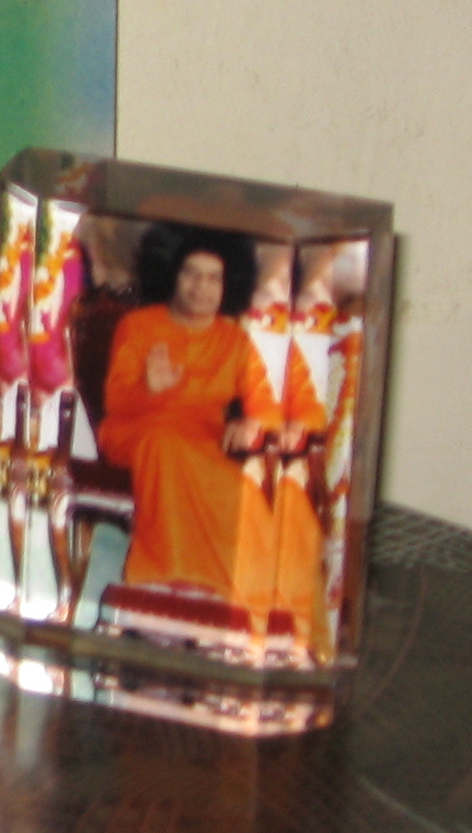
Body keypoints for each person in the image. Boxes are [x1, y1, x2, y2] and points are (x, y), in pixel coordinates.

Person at [96, 229, 322, 650]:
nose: (201, 287)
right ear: (173, 276)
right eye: (191, 274)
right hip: (138, 432)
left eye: (213, 278)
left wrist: (252, 423)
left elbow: (265, 403)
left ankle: (217, 597)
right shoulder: (139, 326)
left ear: (227, 285)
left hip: (202, 444)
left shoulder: (235, 340)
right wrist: (149, 388)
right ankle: (161, 589)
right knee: (166, 445)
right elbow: (115, 401)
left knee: (238, 487)